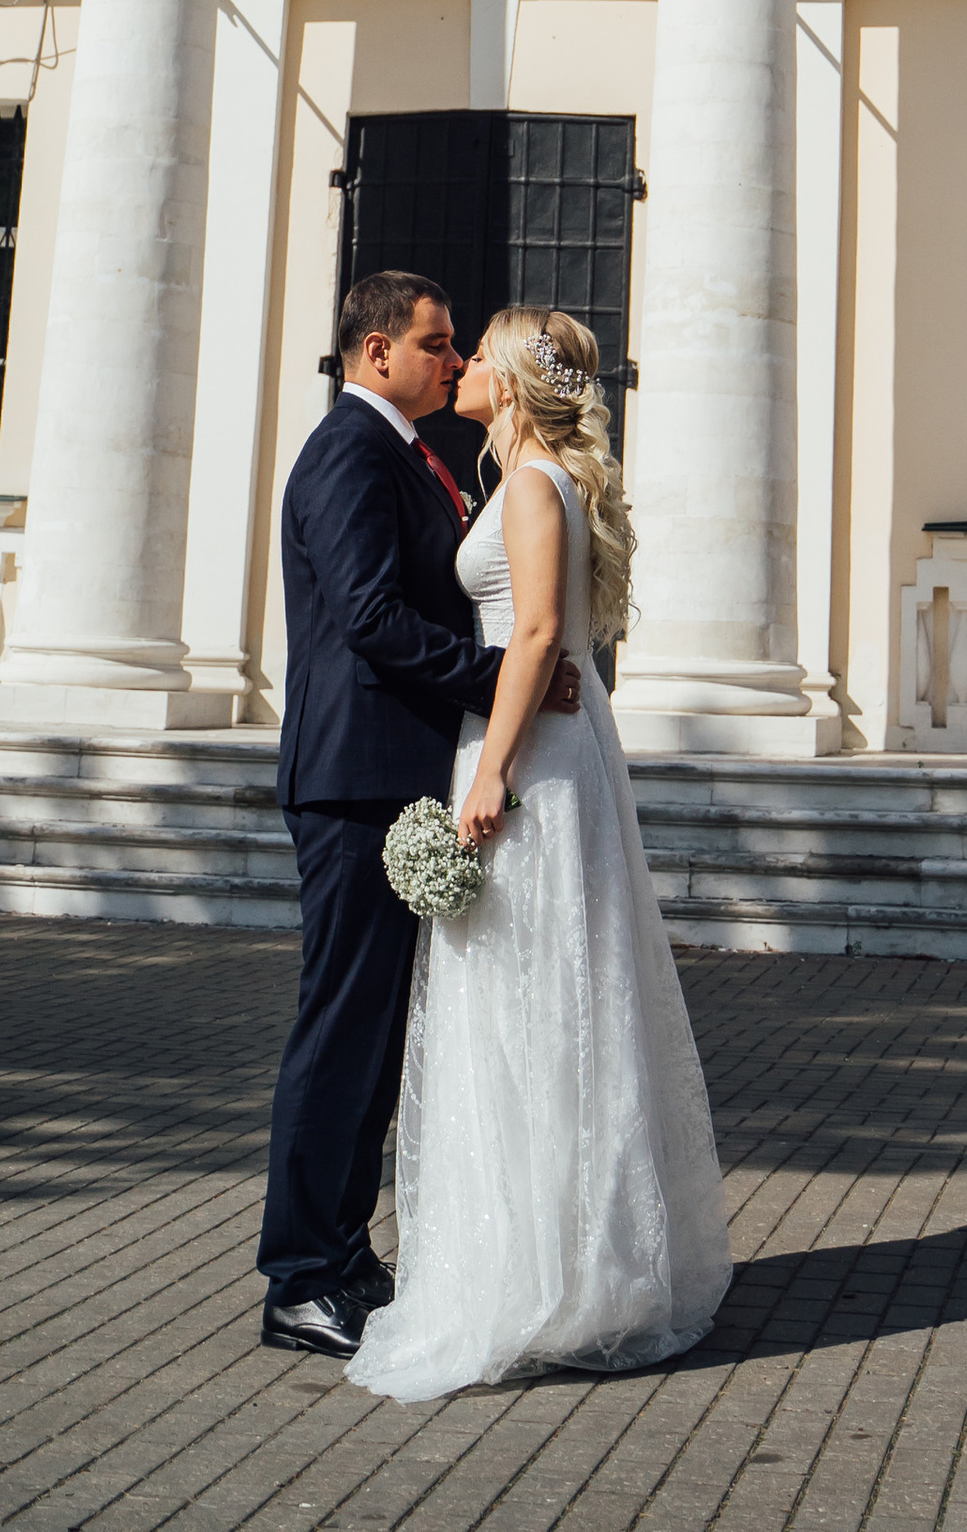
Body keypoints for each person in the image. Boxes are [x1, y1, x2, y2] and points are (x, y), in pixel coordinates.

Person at [350, 307, 732, 1401]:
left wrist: (489, 773)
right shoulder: (535, 479)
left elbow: (527, 638)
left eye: (478, 356)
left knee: (530, 1002)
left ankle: (539, 1278)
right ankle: (570, 1263)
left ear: (512, 381)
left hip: (530, 758)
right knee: (546, 1000)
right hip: (549, 743)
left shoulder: (528, 488)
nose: (461, 365)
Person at [256, 270, 581, 1360]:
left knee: (374, 1032)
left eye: (455, 346)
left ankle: (345, 1255)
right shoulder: (350, 448)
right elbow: (368, 618)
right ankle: (301, 1275)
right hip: (353, 778)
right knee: (341, 1026)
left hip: (394, 773)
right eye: (435, 344)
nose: (451, 361)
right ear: (373, 353)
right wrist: (498, 678)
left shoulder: (407, 450)